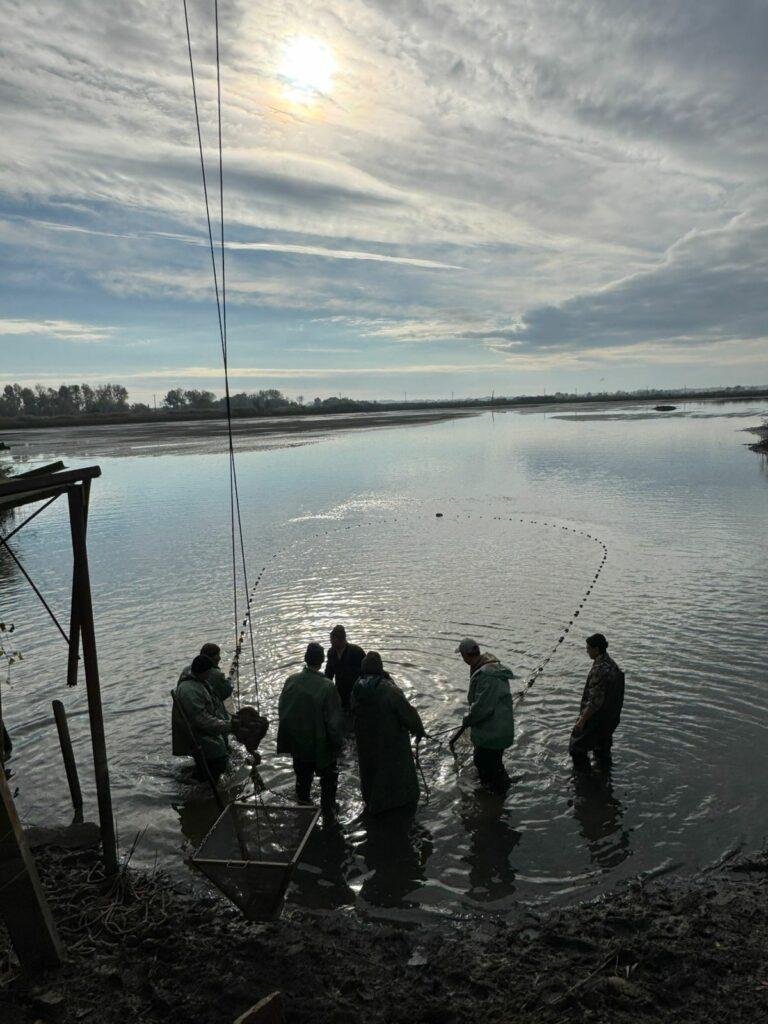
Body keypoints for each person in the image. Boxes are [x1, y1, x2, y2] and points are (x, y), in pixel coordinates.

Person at [351, 651, 426, 815]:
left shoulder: (356, 687)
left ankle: (372, 806)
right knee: (394, 773)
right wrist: (419, 731)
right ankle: (397, 808)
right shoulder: (390, 690)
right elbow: (409, 714)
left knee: (370, 772)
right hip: (390, 742)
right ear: (380, 668)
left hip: (365, 743)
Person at [277, 642, 344, 809]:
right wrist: (338, 744)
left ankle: (303, 807)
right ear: (322, 661)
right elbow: (334, 723)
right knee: (328, 780)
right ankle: (329, 812)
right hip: (320, 745)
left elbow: (283, 710)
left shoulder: (291, 681)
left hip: (298, 743)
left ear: (305, 659)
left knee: (302, 780)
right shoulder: (328, 686)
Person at [450, 638, 515, 792]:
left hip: (492, 731)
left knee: (482, 761)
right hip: (501, 727)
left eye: (462, 656)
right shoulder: (489, 667)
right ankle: (499, 794)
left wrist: (468, 719)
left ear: (466, 656)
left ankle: (495, 797)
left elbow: (482, 708)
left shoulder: (486, 675)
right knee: (493, 763)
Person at [172, 654, 234, 782]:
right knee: (218, 760)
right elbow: (201, 719)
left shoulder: (198, 681)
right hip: (198, 735)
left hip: (205, 732)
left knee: (213, 762)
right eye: (209, 673)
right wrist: (226, 726)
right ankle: (201, 784)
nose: (210, 676)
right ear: (203, 672)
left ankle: (202, 784)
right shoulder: (189, 690)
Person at [569, 633, 625, 770]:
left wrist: (582, 721)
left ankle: (584, 781)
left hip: (598, 719)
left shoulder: (599, 669)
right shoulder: (611, 663)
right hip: (611, 717)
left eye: (588, 648)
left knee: (576, 748)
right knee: (602, 750)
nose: (586, 650)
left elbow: (595, 701)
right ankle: (603, 780)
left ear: (597, 649)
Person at [324, 624, 365, 711]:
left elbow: (365, 674)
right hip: (339, 692)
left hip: (355, 692)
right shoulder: (331, 653)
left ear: (341, 639)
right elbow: (328, 674)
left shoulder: (356, 652)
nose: (330, 642)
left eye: (332, 640)